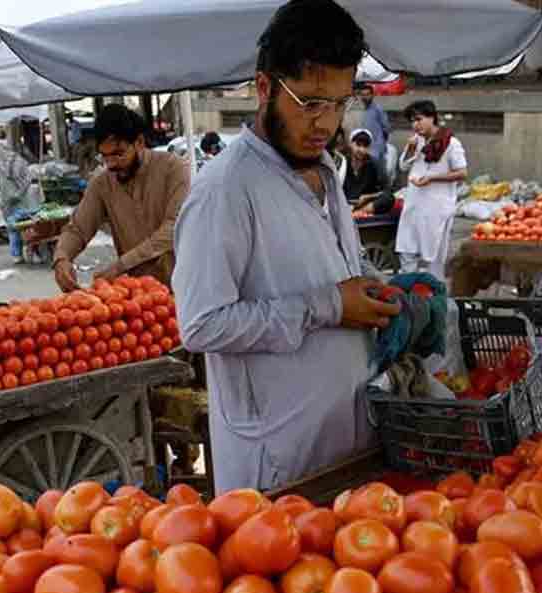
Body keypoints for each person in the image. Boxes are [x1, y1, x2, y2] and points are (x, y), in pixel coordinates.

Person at [172, 0, 401, 492]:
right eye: (310, 103)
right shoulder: (225, 190)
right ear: (264, 89)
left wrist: (376, 291)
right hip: (278, 464)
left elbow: (337, 270)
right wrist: (327, 306)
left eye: (339, 104)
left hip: (348, 442)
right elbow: (201, 324)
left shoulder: (324, 172)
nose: (326, 123)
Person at [53, 104, 190, 288]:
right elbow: (78, 228)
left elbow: (173, 228)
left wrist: (121, 266)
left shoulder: (174, 168)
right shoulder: (102, 182)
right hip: (138, 297)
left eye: (119, 154)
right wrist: (62, 258)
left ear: (139, 142)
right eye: (105, 156)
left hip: (185, 285)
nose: (111, 164)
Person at [395, 100, 467, 282]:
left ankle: (434, 299)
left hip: (437, 209)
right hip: (414, 204)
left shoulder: (451, 143)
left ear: (432, 117)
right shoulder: (417, 141)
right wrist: (410, 148)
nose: (415, 125)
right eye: (412, 121)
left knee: (434, 258)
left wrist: (432, 179)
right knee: (407, 251)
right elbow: (403, 166)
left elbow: (462, 173)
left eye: (419, 119)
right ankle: (408, 296)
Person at [0, 139, 34, 263]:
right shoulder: (17, 160)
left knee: (13, 228)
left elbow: (23, 180)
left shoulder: (7, 163)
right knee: (20, 226)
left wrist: (16, 194)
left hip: (14, 200)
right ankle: (23, 253)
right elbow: (27, 179)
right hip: (20, 199)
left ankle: (17, 255)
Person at [343, 129, 383, 202]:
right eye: (358, 145)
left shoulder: (373, 164)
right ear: (350, 144)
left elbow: (385, 191)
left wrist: (367, 197)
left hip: (364, 206)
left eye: (365, 146)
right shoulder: (342, 162)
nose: (362, 150)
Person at [357, 84, 390, 171]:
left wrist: (381, 142)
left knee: (378, 171)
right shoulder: (359, 110)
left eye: (367, 94)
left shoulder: (378, 109)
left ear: (372, 95)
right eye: (363, 95)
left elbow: (386, 128)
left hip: (376, 147)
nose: (365, 97)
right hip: (363, 146)